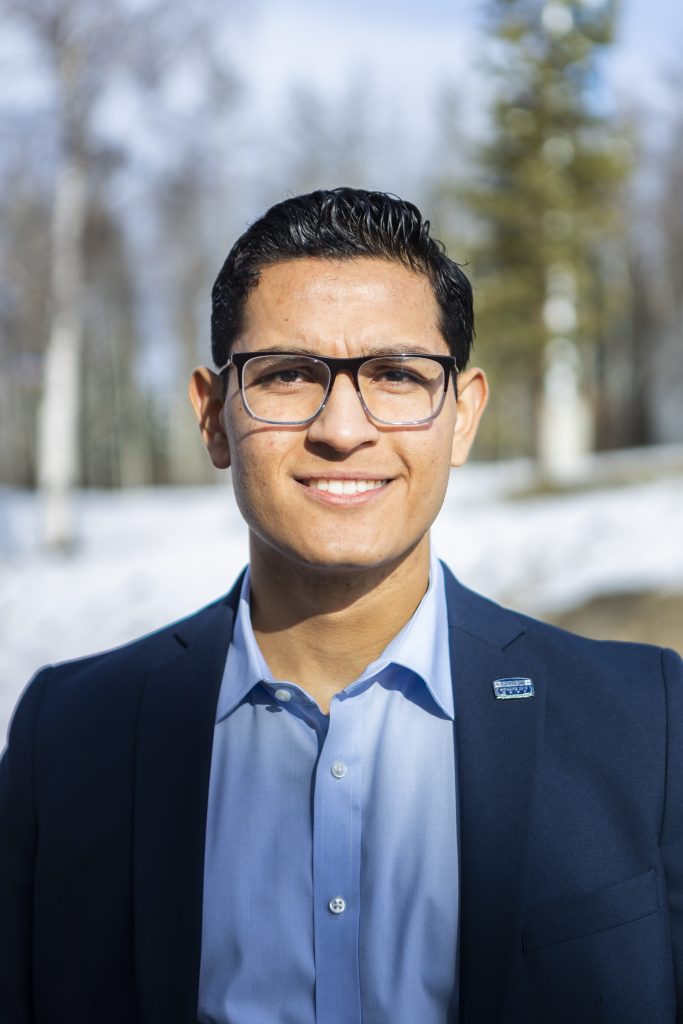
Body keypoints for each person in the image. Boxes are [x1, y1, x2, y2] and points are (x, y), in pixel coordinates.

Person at [1, 187, 681, 1024]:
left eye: (396, 375)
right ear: (212, 417)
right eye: (287, 375)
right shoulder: (70, 737)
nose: (342, 429)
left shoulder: (641, 724)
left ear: (461, 417)